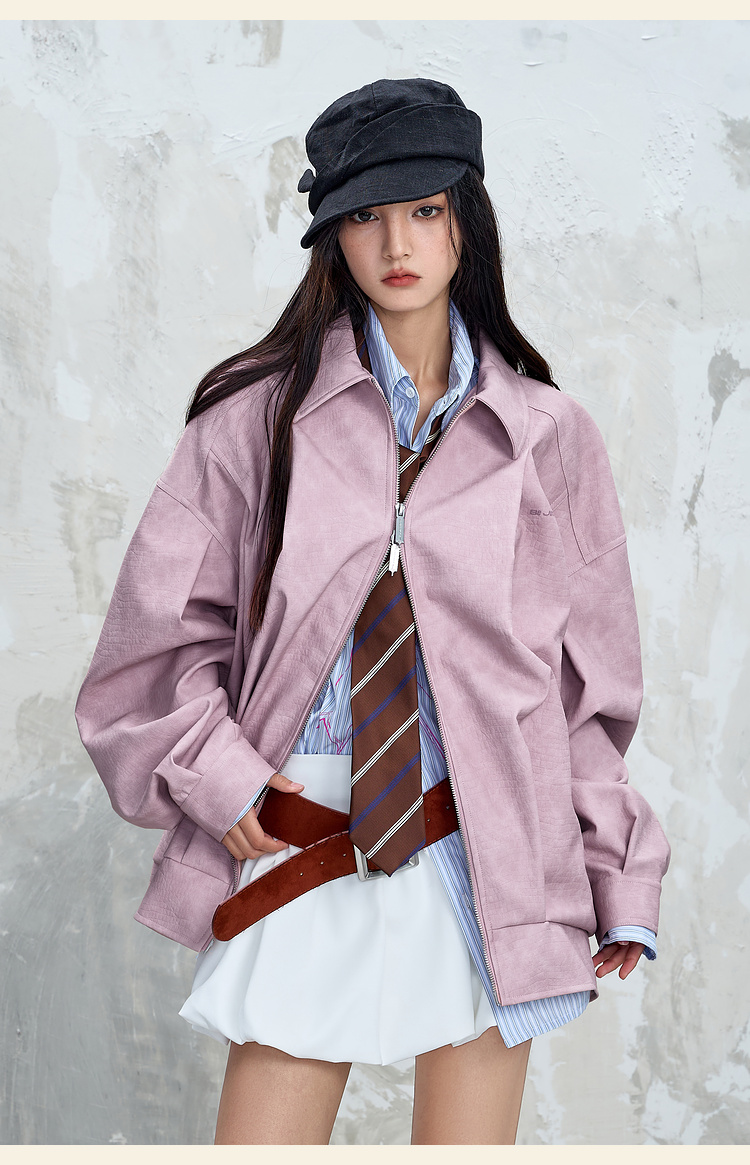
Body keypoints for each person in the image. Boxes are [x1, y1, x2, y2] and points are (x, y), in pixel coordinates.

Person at [75, 78, 671, 1146]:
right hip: (302, 828)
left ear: (465, 221)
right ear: (331, 236)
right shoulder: (253, 421)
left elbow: (586, 696)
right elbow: (151, 646)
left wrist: (615, 871)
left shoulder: (548, 436)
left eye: (424, 210)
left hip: (489, 840)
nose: (397, 243)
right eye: (365, 215)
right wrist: (217, 772)